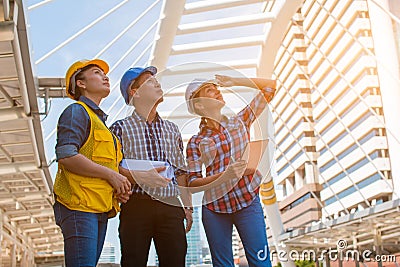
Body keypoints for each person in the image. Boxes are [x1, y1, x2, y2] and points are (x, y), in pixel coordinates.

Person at [185, 75, 276, 267]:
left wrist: (236, 81)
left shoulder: (240, 120)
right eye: (210, 90)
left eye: (216, 88)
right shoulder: (195, 142)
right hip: (214, 209)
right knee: (223, 265)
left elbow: (270, 86)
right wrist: (224, 176)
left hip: (247, 201)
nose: (217, 91)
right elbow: (192, 183)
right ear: (200, 105)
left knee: (261, 263)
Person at [110, 66, 192, 267]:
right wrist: (137, 176)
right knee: (133, 261)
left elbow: (180, 171)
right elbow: (110, 168)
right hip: (136, 206)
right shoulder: (118, 129)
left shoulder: (172, 130)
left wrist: (187, 208)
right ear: (134, 92)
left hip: (170, 205)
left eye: (156, 80)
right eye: (149, 81)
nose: (157, 83)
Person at [53, 59, 131, 267]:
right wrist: (111, 175)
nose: (105, 76)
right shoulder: (76, 112)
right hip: (78, 206)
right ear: (81, 83)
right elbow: (67, 155)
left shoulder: (102, 125)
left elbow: (102, 166)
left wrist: (117, 186)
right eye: (97, 73)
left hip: (98, 207)